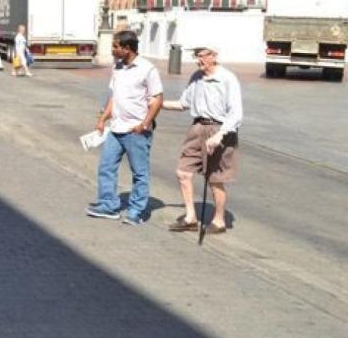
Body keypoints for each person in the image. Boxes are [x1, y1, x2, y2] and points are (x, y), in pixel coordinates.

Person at [162, 43, 242, 235]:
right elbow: (184, 103)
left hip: (220, 129)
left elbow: (236, 114)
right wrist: (157, 104)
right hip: (197, 127)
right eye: (196, 55)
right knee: (183, 172)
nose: (198, 60)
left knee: (214, 179)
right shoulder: (196, 77)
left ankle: (219, 220)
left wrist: (219, 135)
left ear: (214, 55)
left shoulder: (227, 79)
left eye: (202, 55)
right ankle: (190, 217)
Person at [85, 30, 163, 225]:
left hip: (136, 131)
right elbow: (114, 97)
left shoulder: (147, 69)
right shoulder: (117, 67)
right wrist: (103, 119)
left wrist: (144, 124)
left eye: (116, 46)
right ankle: (108, 205)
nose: (113, 50)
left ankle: (136, 211)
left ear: (127, 49)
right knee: (106, 167)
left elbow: (157, 100)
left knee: (139, 172)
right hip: (116, 128)